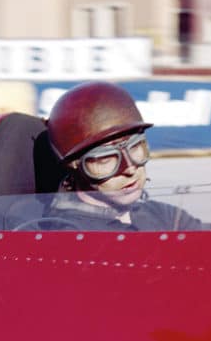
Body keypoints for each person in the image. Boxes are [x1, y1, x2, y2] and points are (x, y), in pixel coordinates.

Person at [41, 81, 201, 231]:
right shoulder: (68, 237)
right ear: (74, 165)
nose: (130, 169)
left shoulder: (165, 217)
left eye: (135, 146)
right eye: (105, 158)